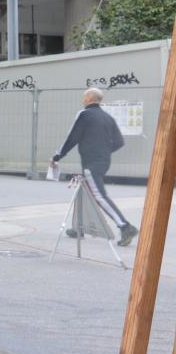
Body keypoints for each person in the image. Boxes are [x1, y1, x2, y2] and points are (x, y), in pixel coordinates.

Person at [52, 87, 138, 247]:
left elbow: (72, 137)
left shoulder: (84, 114)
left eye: (84, 97)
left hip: (91, 162)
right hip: (103, 160)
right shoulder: (108, 118)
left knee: (99, 195)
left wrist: (57, 156)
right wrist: (103, 151)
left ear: (90, 99)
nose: (83, 99)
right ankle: (79, 228)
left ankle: (125, 226)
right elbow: (120, 142)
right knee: (84, 191)